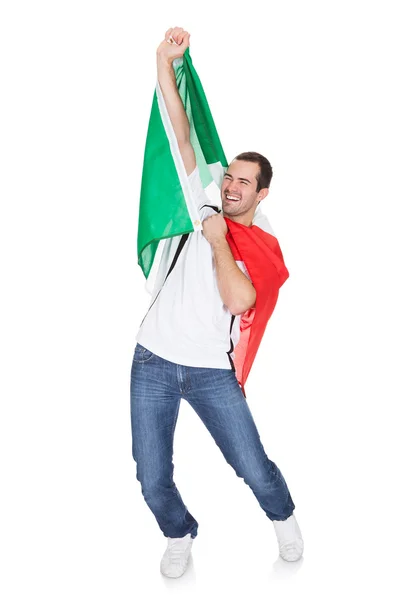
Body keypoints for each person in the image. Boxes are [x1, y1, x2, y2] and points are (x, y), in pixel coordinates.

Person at [130, 26, 304, 579]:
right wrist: (165, 59)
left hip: (209, 369)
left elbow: (240, 298)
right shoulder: (202, 196)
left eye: (242, 182)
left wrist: (216, 238)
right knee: (151, 474)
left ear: (262, 194)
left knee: (251, 464)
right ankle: (178, 531)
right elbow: (179, 131)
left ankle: (283, 518)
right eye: (228, 176)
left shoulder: (258, 241)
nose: (229, 186)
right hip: (153, 358)